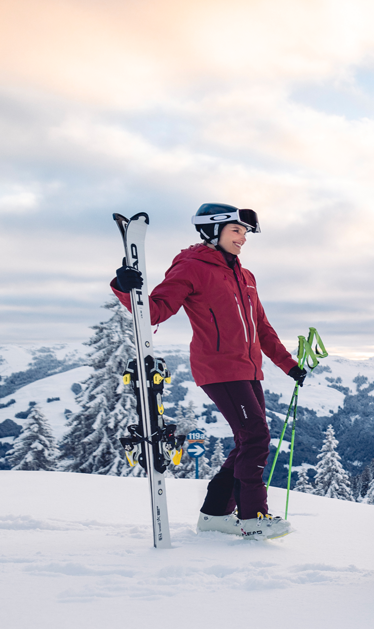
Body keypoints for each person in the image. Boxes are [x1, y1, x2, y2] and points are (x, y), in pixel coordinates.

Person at [111, 203, 306, 540]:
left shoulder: (245, 276)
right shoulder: (192, 267)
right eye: (236, 231)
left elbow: (261, 326)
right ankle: (253, 517)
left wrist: (289, 365)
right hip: (219, 367)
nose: (243, 238)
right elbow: (155, 312)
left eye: (245, 233)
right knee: (257, 437)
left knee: (247, 440)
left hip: (249, 369)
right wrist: (124, 287)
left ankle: (215, 515)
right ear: (211, 231)